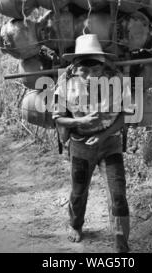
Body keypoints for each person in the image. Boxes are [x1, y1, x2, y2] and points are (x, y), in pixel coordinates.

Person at [53, 34, 133, 253]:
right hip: (80, 143)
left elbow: (125, 115)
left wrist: (104, 134)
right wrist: (80, 121)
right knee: (79, 190)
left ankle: (121, 245)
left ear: (103, 64)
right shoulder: (65, 82)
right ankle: (75, 225)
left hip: (110, 145)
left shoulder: (117, 80)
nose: (90, 76)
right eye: (84, 70)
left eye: (95, 70)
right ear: (76, 67)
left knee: (118, 194)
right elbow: (57, 117)